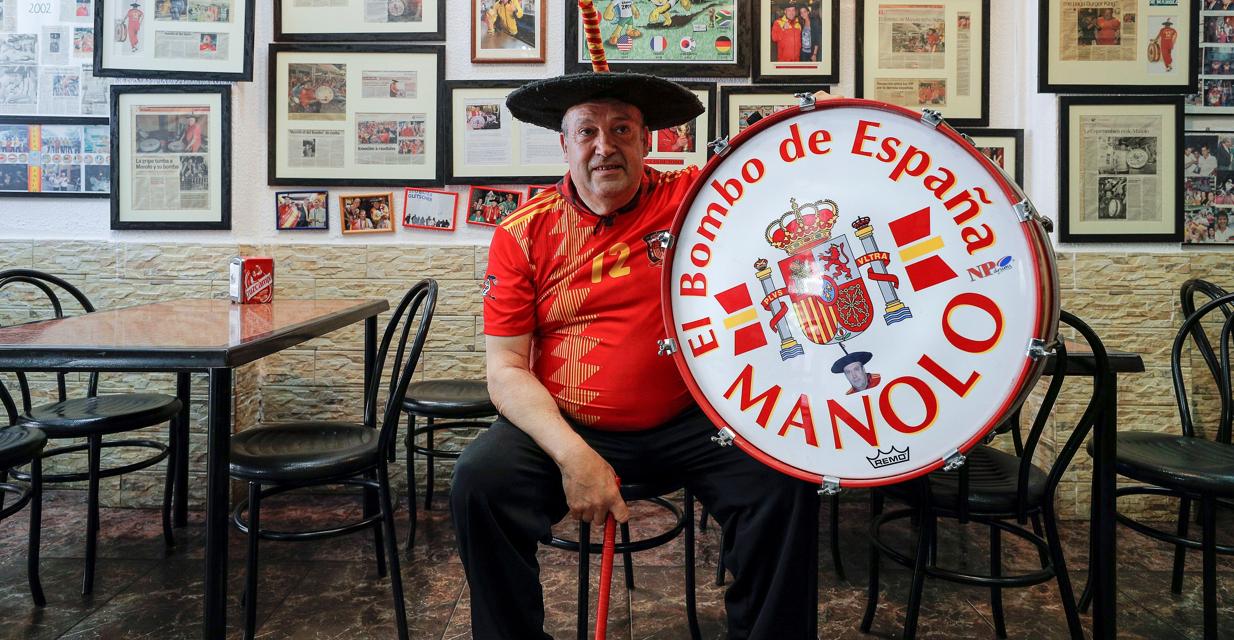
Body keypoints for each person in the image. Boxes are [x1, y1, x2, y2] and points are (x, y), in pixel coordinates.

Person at [451, 71, 822, 640]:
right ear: (565, 145)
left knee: (785, 480)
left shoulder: (697, 198)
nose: (605, 146)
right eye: (587, 131)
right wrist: (574, 457)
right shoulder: (523, 232)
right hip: (570, 423)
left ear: (647, 140)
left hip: (696, 418)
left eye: (621, 129)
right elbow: (505, 369)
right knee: (480, 482)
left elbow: (785, 175)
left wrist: (806, 128)